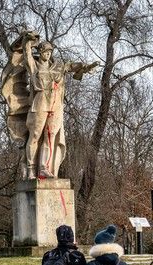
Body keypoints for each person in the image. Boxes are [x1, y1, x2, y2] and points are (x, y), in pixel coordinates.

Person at [22, 33, 99, 179]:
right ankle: (31, 169)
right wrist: (27, 40)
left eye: (49, 52)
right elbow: (26, 54)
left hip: (55, 104)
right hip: (40, 104)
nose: (47, 54)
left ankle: (44, 167)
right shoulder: (35, 66)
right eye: (45, 51)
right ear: (40, 53)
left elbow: (72, 66)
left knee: (50, 137)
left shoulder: (58, 67)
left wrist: (87, 67)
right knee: (35, 136)